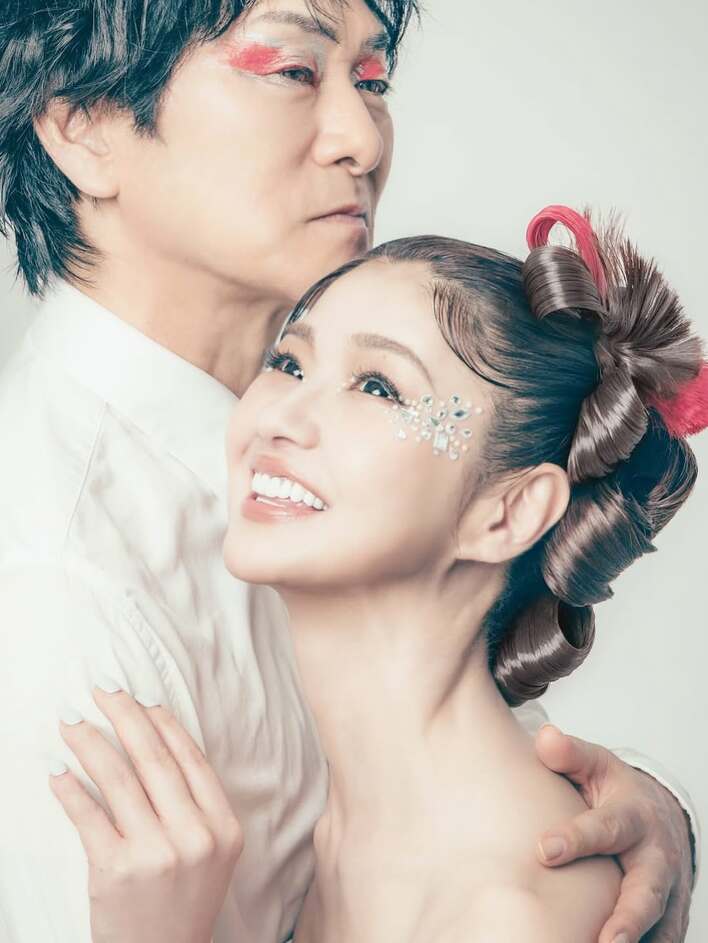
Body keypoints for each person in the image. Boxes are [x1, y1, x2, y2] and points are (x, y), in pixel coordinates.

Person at [0, 0, 697, 939]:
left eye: (373, 81)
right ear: (84, 126)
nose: (364, 139)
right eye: (292, 70)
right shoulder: (51, 573)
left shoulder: (323, 463)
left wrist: (640, 817)